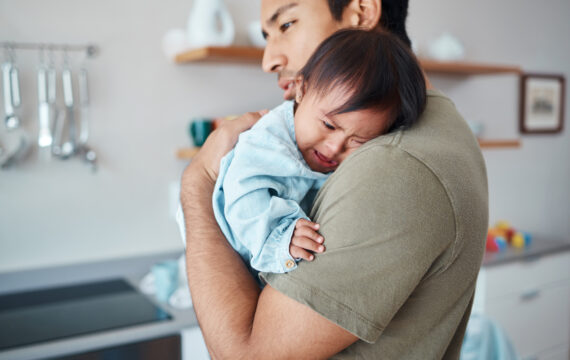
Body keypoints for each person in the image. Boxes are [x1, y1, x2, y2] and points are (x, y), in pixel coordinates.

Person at [180, 0, 489, 359]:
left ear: (360, 12)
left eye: (287, 24)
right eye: (266, 35)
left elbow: (244, 355)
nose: (269, 60)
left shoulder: (395, 163)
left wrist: (198, 181)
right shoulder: (437, 132)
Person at [178, 29, 426, 278]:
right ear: (301, 90)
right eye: (329, 125)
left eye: (358, 141)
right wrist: (281, 235)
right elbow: (244, 193)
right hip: (227, 247)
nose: (334, 148)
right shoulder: (269, 139)